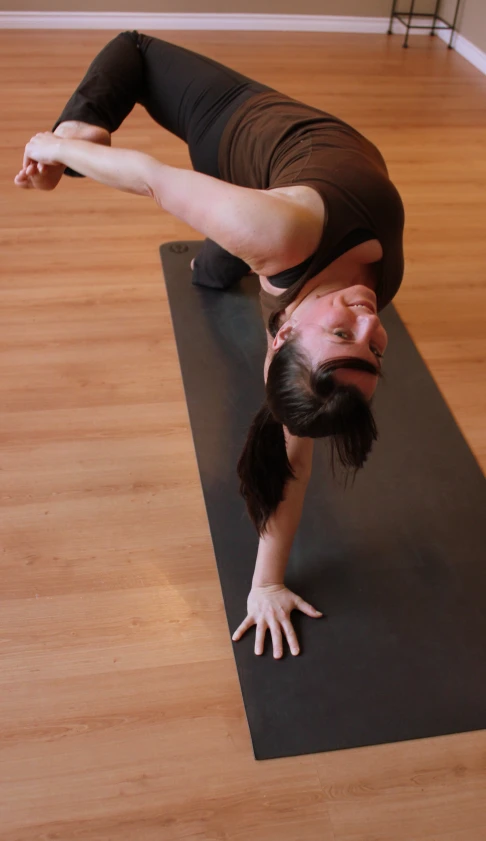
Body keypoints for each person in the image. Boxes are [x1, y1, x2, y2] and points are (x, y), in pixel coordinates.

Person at [15, 31, 405, 660]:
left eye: (343, 337)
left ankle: (108, 155)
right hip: (270, 155)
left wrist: (266, 583)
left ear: (279, 339)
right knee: (204, 261)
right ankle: (94, 143)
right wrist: (56, 146)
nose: (369, 322)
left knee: (206, 264)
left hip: (253, 163)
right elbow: (297, 462)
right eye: (374, 350)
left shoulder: (279, 247)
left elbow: (291, 463)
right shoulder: (283, 241)